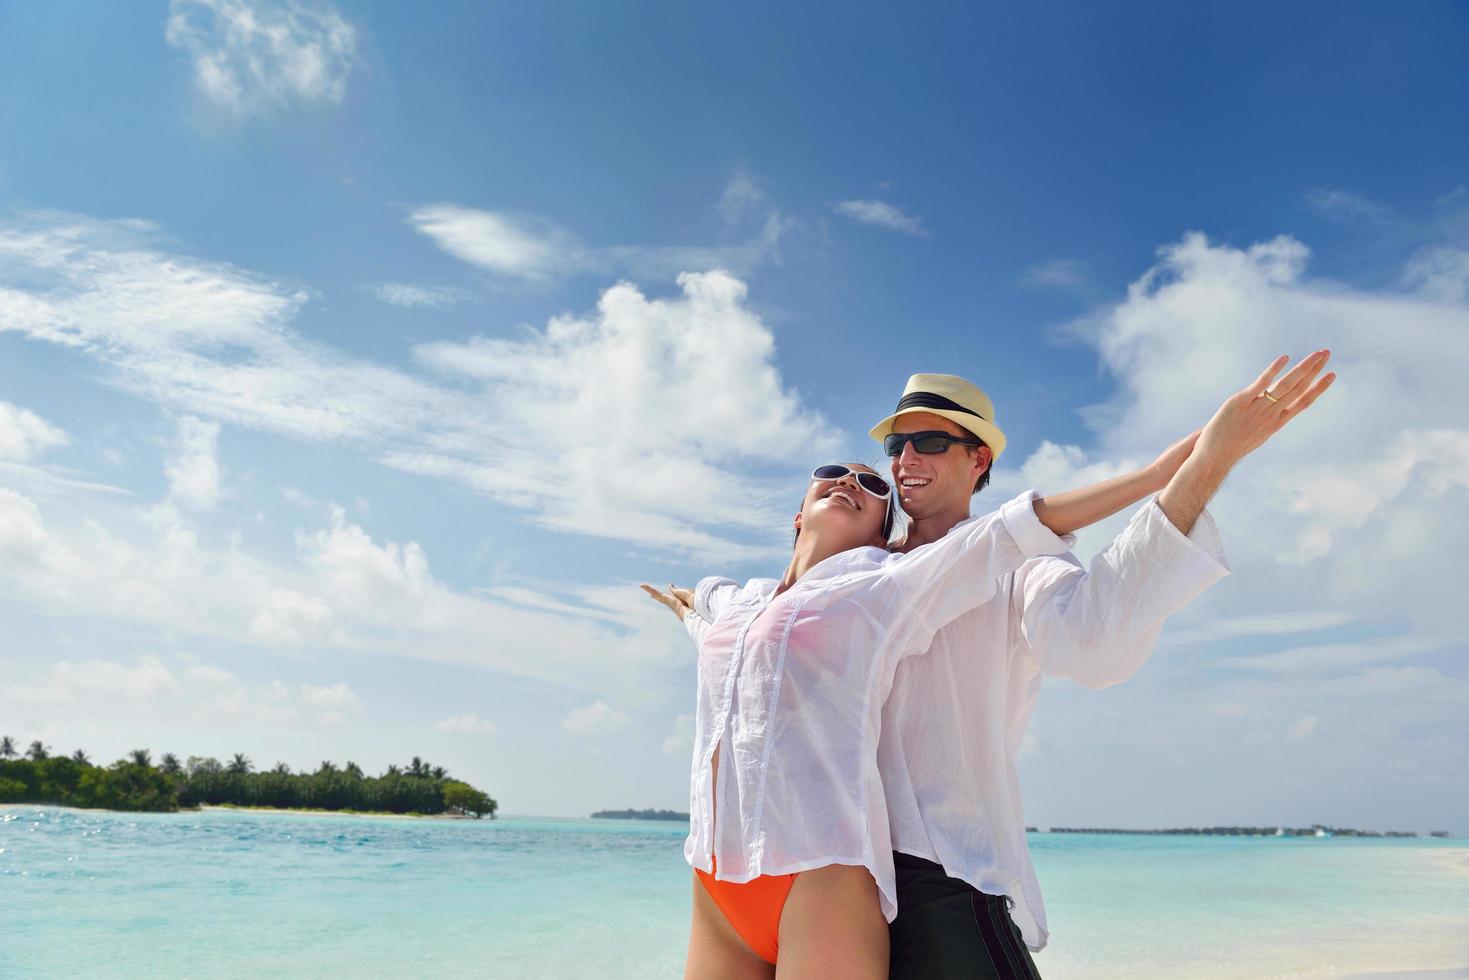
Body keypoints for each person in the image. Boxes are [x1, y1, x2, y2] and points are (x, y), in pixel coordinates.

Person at [643, 429, 1211, 978]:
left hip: (822, 874)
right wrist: (690, 612)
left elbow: (1007, 535)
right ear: (797, 513)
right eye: (833, 474)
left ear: (879, 534)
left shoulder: (880, 586)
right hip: (715, 873)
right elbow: (714, 617)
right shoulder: (742, 601)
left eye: (871, 490)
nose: (851, 483)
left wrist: (1159, 477)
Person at [861, 353, 1334, 978]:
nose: (905, 460)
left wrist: (1208, 463)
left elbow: (1091, 640)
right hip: (836, 875)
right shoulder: (857, 572)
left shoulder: (1021, 565)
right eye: (898, 443)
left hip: (945, 870)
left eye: (929, 442)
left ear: (979, 461)